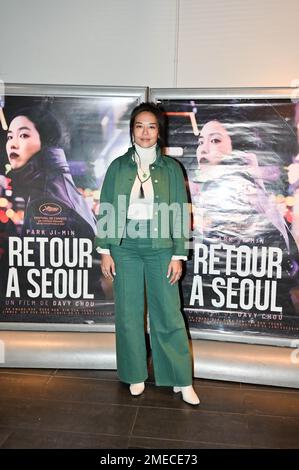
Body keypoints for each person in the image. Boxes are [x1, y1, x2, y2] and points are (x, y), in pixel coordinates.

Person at [95, 102, 200, 405]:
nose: (145, 132)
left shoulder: (172, 168)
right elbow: (107, 207)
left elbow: (180, 212)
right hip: (124, 248)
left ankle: (180, 379)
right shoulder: (117, 166)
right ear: (132, 131)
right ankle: (135, 374)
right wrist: (105, 249)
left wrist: (179, 254)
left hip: (160, 249)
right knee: (128, 315)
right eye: (139, 126)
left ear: (159, 131)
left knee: (168, 314)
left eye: (151, 126)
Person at [6, 106, 97, 238]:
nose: (12, 144)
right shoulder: (55, 184)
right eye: (10, 137)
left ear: (45, 141)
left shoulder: (45, 197)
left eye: (23, 135)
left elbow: (44, 257)